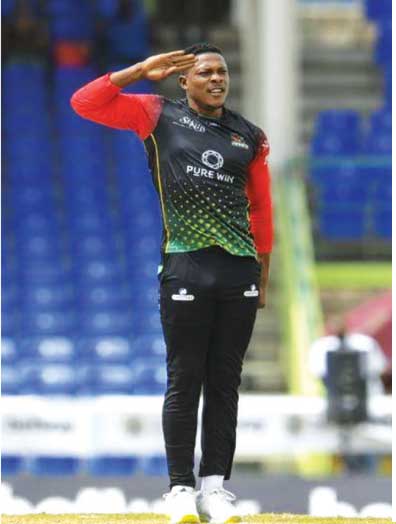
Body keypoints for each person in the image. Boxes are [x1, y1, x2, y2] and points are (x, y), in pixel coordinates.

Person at [72, 43, 272, 524]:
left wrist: (262, 276)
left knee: (226, 382)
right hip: (184, 265)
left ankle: (215, 490)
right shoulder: (155, 114)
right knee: (186, 379)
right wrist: (139, 70)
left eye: (221, 71)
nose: (216, 79)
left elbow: (262, 210)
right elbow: (85, 102)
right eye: (205, 72)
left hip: (238, 269)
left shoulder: (250, 135)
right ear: (185, 81)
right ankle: (179, 489)